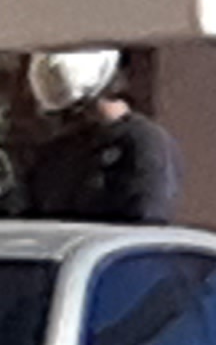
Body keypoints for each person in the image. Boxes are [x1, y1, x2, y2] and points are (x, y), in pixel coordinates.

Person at [20, 49, 183, 225]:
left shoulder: (142, 143)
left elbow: (146, 224)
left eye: (76, 111)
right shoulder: (55, 154)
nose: (69, 122)